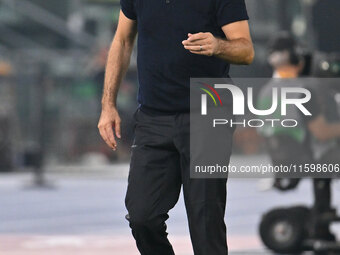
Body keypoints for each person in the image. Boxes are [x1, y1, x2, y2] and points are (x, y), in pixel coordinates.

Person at [98, 0, 254, 254]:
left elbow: (246, 51)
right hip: (153, 118)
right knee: (142, 217)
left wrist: (218, 45)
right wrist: (108, 104)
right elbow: (123, 40)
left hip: (207, 114)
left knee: (206, 224)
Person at [258, 32, 340, 241]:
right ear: (293, 56)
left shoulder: (266, 91)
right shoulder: (302, 91)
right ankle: (320, 220)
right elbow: (321, 132)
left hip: (285, 158)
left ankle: (321, 218)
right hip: (310, 156)